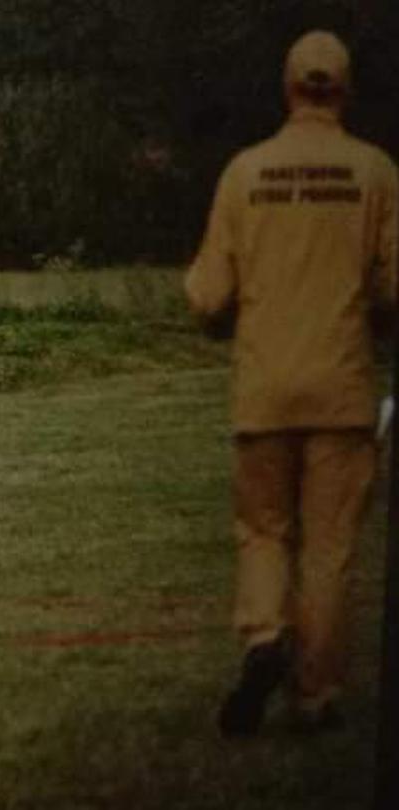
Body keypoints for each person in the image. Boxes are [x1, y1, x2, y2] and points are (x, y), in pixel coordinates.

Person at [184, 30, 398, 736]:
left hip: (264, 390)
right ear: (345, 91)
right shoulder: (375, 173)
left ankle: (263, 638)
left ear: (287, 89)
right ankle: (316, 695)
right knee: (331, 545)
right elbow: (395, 286)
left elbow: (208, 294)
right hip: (340, 389)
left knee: (264, 531)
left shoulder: (246, 174)